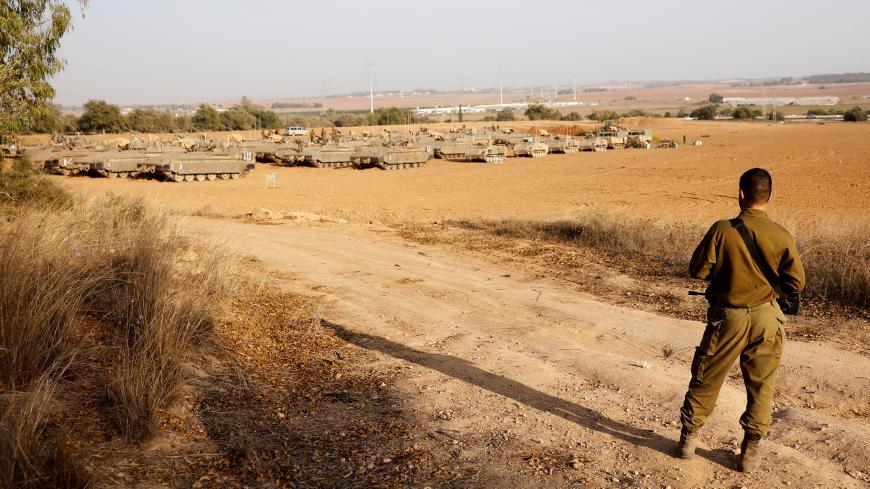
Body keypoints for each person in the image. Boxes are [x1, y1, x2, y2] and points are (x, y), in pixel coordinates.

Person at [677, 168, 805, 472]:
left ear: (740, 194)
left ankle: (687, 442)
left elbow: (698, 270)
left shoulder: (722, 230)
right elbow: (796, 283)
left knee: (707, 376)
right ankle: (749, 453)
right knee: (762, 386)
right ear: (769, 197)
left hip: (728, 317)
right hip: (768, 319)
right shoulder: (782, 235)